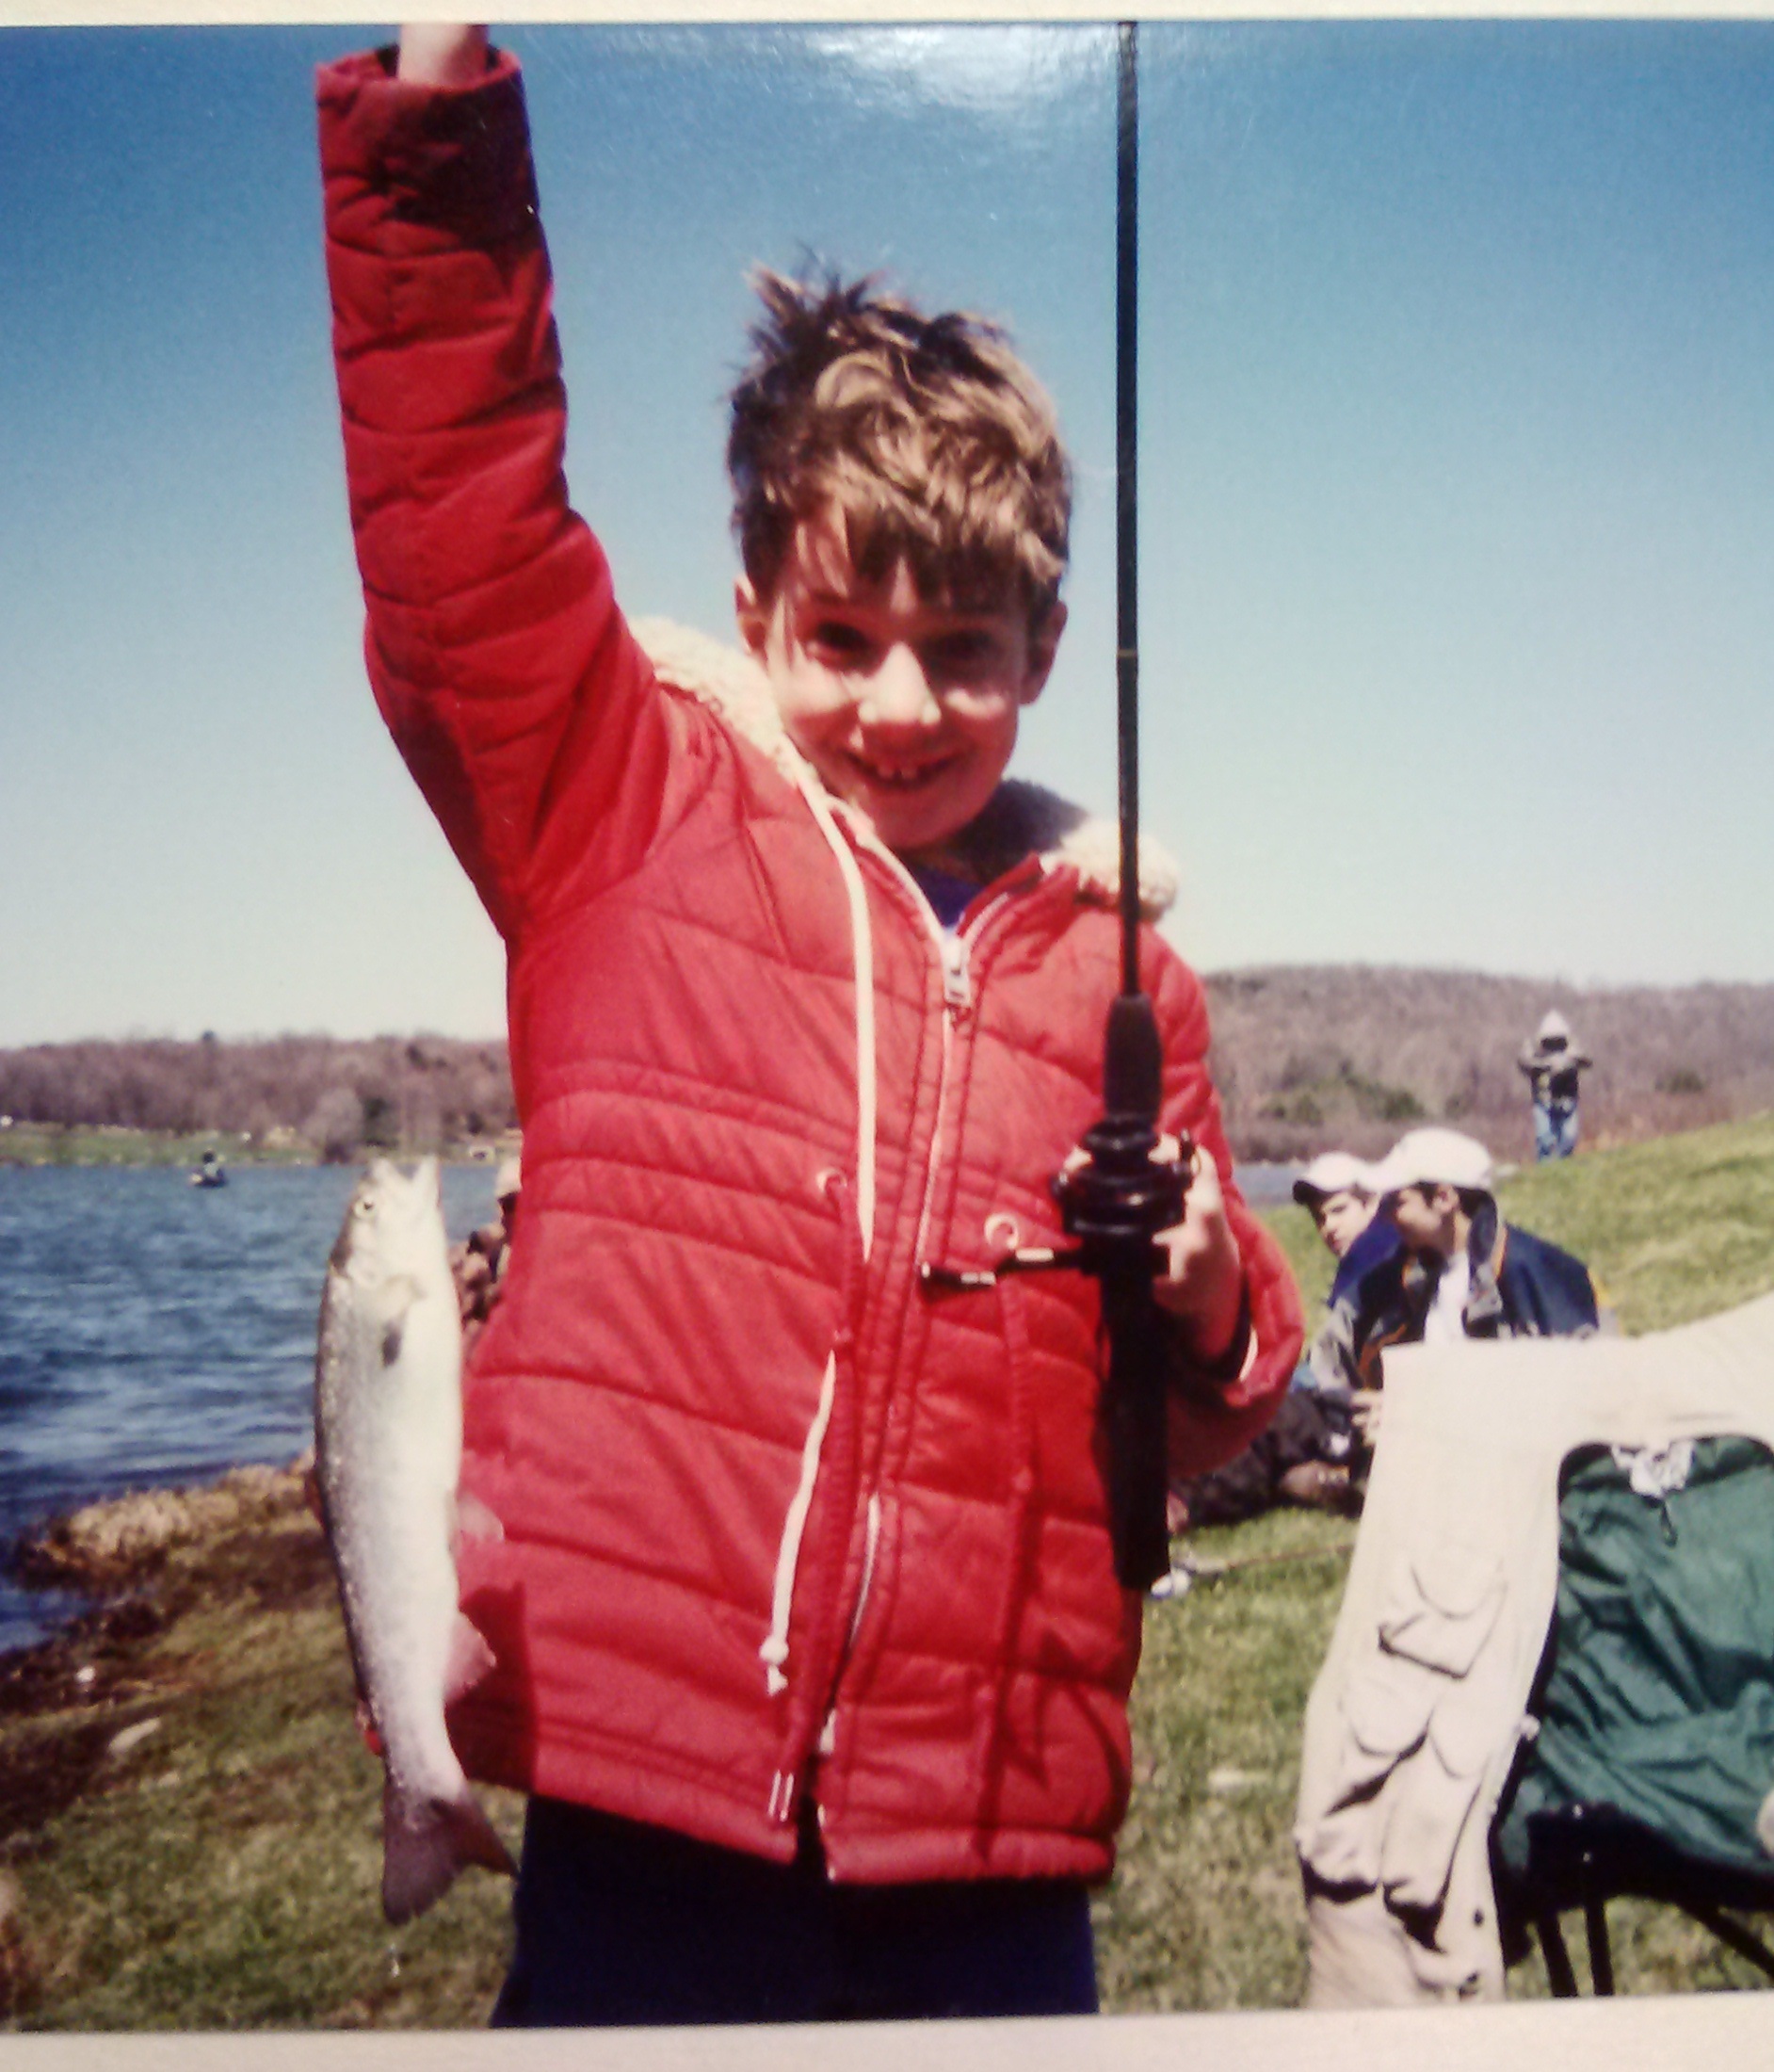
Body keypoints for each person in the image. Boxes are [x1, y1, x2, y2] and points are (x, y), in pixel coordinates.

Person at [317, 25, 1302, 2026]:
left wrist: (1209, 1286)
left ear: (1044, 650)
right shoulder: (617, 815)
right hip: (645, 1821)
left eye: (965, 650)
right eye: (842, 638)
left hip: (999, 1847)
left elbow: (1206, 1419)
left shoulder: (1131, 981)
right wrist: (432, 111)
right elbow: (455, 532)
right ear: (756, 605)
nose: (904, 703)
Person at [1322, 1126, 1600, 1458]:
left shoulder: (1536, 1271)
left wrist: (1411, 1416)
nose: (1387, 1217)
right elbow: (1329, 1355)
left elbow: (1577, 1394)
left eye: (1397, 1202)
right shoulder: (1401, 1274)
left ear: (1444, 1199)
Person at [1517, 1010, 1592, 1162]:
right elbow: (1524, 1063)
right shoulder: (1535, 1051)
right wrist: (1546, 1066)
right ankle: (1545, 1172)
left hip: (1568, 1099)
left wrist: (1569, 1063)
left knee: (1569, 1137)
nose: (1554, 1044)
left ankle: (1562, 1166)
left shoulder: (1571, 1049)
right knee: (1544, 1138)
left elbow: (1587, 1061)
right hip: (1543, 1101)